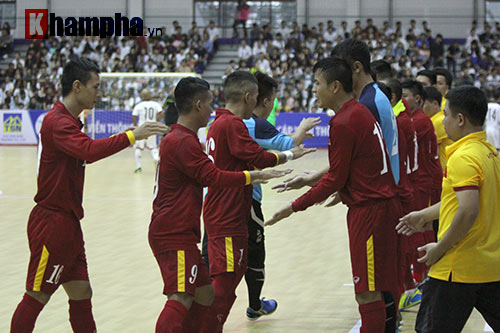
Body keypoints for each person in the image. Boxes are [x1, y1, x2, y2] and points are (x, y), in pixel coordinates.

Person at [10, 55, 168, 333]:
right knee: (36, 295)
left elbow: (87, 149)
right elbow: (90, 151)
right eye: (95, 87)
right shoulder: (57, 122)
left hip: (68, 223)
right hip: (52, 223)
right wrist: (133, 136)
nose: (99, 93)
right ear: (77, 87)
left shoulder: (68, 121)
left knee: (82, 292)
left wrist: (130, 135)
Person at [268, 57, 402, 333]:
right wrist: (310, 181)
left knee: (367, 292)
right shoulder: (359, 112)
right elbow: (346, 169)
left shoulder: (344, 121)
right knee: (374, 288)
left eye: (317, 83)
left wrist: (293, 208)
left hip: (370, 214)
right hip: (378, 208)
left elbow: (335, 179)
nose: (313, 89)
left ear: (335, 87)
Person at [149, 77, 290, 332]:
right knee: (182, 295)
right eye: (210, 103)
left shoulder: (185, 138)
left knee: (205, 294)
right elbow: (213, 176)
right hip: (174, 232)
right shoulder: (183, 141)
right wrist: (252, 176)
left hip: (186, 229)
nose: (213, 109)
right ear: (199, 105)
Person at [200, 71, 314, 332]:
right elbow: (257, 155)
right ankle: (207, 323)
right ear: (251, 97)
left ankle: (206, 318)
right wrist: (287, 155)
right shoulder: (235, 124)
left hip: (223, 205)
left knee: (225, 269)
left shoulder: (216, 124)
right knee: (230, 276)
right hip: (229, 210)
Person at [397, 86, 500, 332]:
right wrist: (425, 214)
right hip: (489, 267)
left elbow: (467, 211)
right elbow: (464, 200)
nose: (443, 121)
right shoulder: (489, 153)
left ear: (460, 119)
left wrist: (439, 249)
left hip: (456, 266)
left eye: (446, 115)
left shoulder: (463, 157)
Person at [242, 72, 321, 320]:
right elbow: (289, 144)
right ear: (265, 102)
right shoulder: (256, 124)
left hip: (214, 199)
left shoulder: (222, 123)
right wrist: (301, 129)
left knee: (213, 252)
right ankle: (254, 305)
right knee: (254, 254)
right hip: (245, 200)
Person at [332, 39, 400, 186]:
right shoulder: (377, 94)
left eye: (341, 70)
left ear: (357, 67)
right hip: (387, 188)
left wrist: (315, 180)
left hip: (381, 192)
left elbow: (349, 162)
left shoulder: (368, 105)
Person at [401, 80, 442, 282]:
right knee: (421, 224)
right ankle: (422, 272)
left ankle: (422, 273)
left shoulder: (418, 121)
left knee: (421, 225)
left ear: (418, 98)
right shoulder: (415, 119)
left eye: (405, 95)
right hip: (421, 179)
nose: (401, 99)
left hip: (424, 180)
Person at [423, 86, 454, 172]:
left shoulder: (438, 122)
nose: (420, 107)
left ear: (435, 104)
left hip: (444, 171)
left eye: (423, 103)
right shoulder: (436, 120)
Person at [132, 88, 163, 173]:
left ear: (142, 96)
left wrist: (136, 126)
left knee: (138, 147)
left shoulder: (139, 105)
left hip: (142, 128)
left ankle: (138, 167)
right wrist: (156, 121)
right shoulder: (155, 104)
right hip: (152, 127)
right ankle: (156, 159)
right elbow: (161, 113)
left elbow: (134, 116)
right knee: (153, 146)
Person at [485, 88, 500, 152]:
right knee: (497, 151)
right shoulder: (498, 107)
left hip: (487, 129)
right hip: (496, 130)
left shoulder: (488, 105)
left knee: (489, 150)